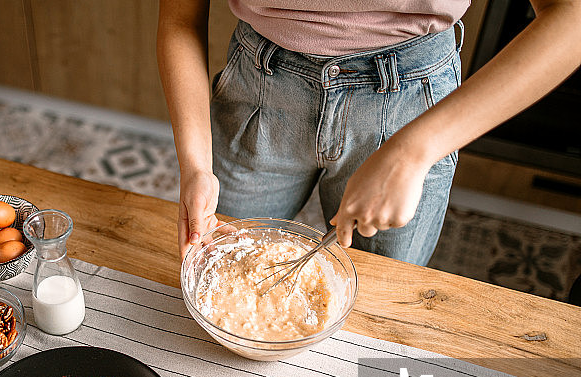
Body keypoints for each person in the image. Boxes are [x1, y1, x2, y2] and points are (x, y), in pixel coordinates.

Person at [157, 1, 581, 264]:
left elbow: (571, 17)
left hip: (409, 103)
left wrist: (414, 150)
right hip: (260, 89)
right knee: (222, 264)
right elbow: (180, 20)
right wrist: (195, 164)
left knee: (375, 310)